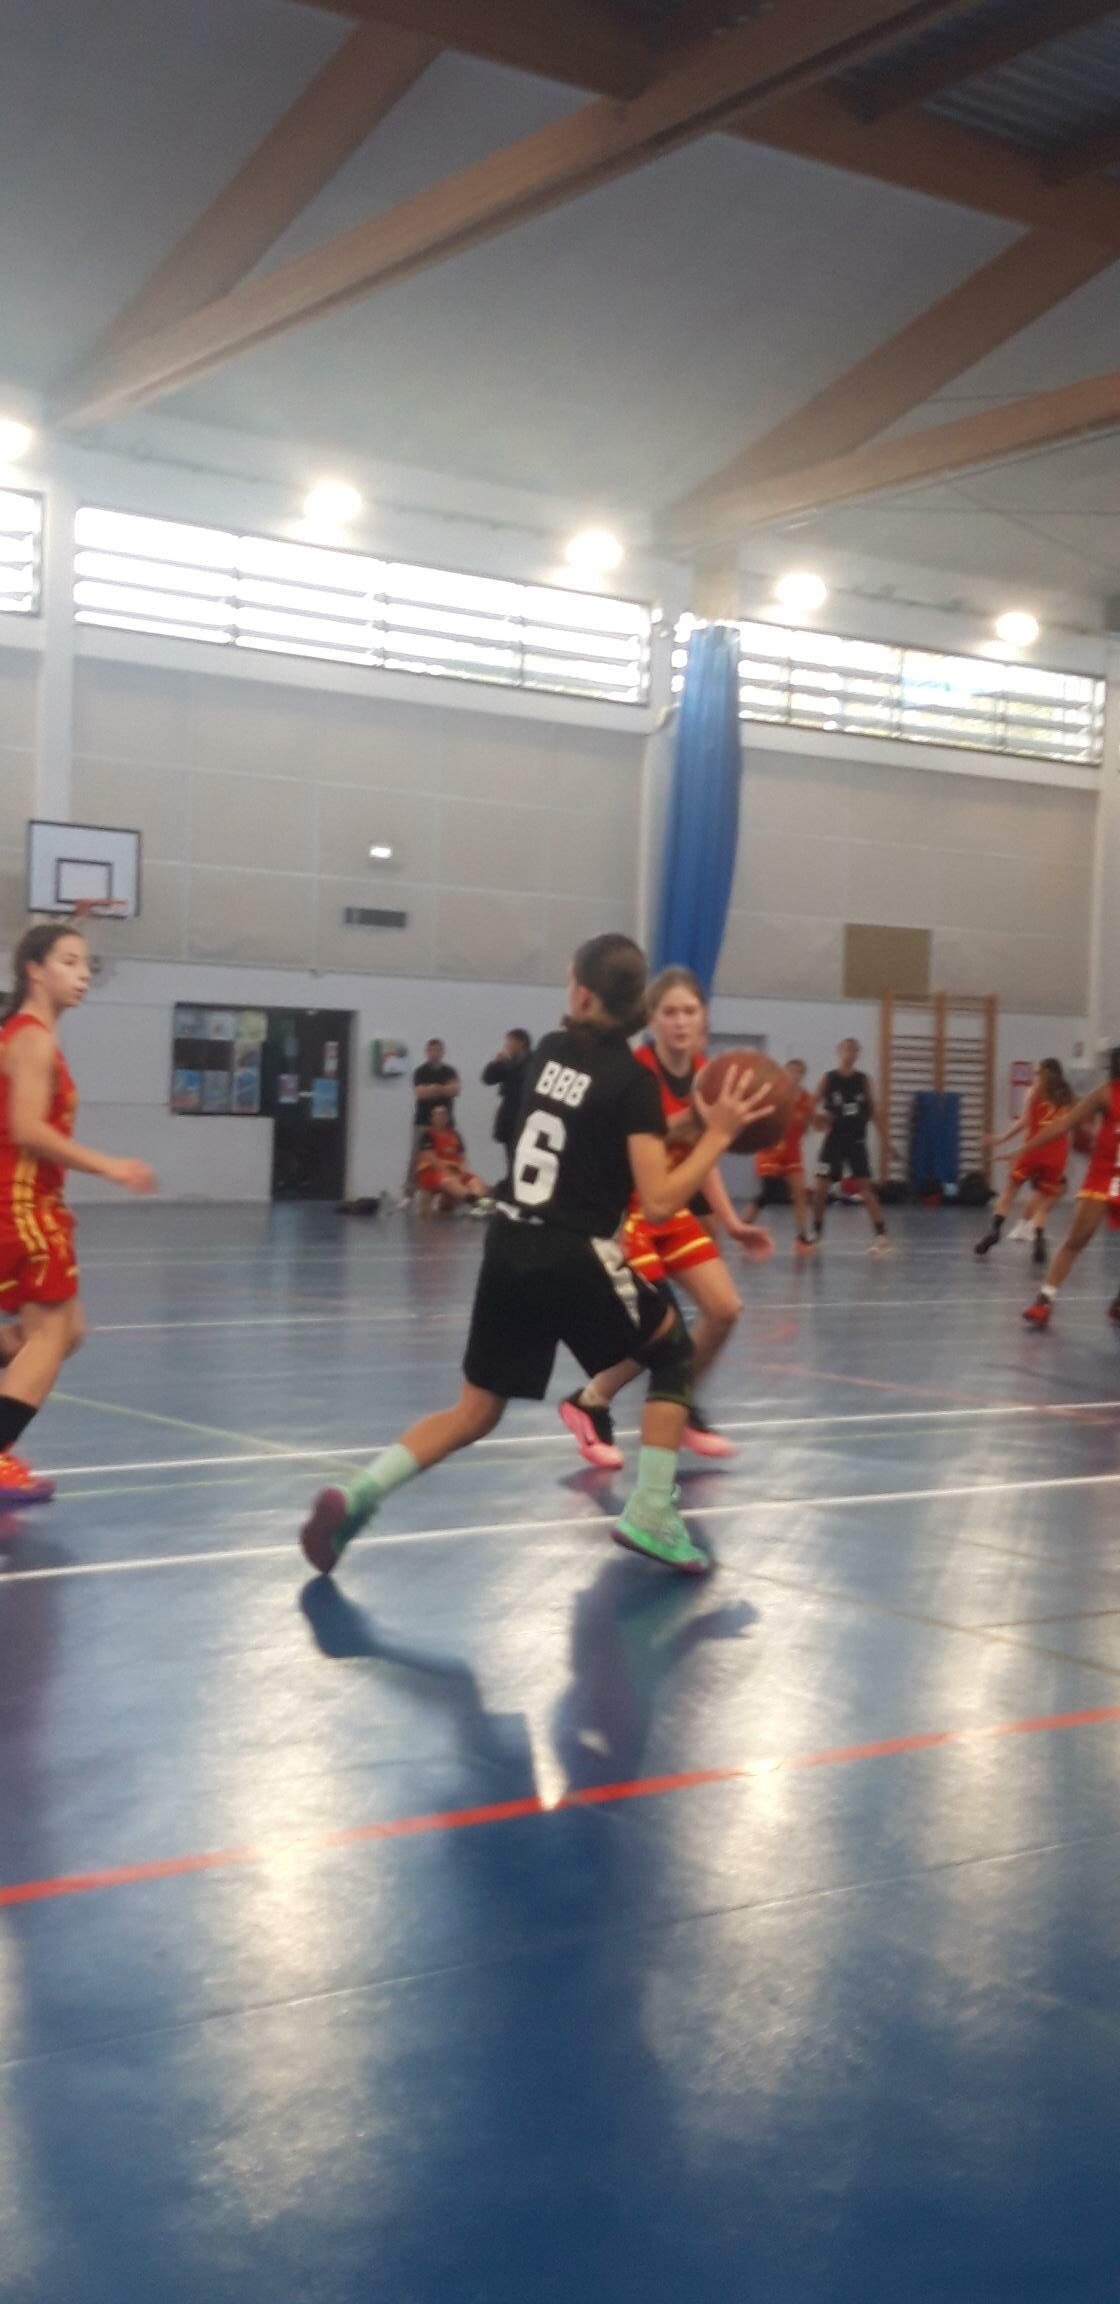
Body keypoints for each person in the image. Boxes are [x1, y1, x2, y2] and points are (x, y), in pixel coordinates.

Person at [300, 932, 773, 1578]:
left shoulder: (549, 1052)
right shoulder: (632, 1081)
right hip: (572, 1253)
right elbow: (661, 1201)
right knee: (672, 1352)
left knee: (474, 1410)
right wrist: (716, 1135)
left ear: (583, 995)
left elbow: (605, 1129)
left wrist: (690, 1124)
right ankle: (651, 1512)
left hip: (508, 1244)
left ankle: (359, 1494)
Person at [558, 965, 772, 1469]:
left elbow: (703, 1157)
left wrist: (732, 1221)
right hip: (626, 1212)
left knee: (724, 1310)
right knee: (661, 1331)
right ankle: (590, 1401)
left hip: (671, 1209)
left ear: (704, 1017)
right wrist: (702, 1121)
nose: (680, 1021)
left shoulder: (707, 1076)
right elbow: (646, 1139)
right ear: (650, 1019)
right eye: (669, 1012)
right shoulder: (633, 1074)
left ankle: (681, 1400)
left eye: (689, 1011)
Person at [0, 921, 156, 1502]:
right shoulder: (32, 1038)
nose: (83, 974)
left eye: (86, 963)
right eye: (68, 962)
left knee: (66, 1332)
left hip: (32, 1200)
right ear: (34, 970)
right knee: (51, 1333)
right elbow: (26, 1129)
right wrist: (109, 1165)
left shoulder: (28, 1036)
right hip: (19, 1202)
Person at [1022, 1050, 1120, 1328]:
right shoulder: (1107, 1093)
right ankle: (1044, 1301)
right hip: (1103, 1175)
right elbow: (1065, 1123)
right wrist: (1028, 1147)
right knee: (1076, 1239)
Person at [975, 1057, 1074, 1268]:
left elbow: (1024, 1122)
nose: (1035, 1076)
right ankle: (1038, 1236)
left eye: (1038, 1072)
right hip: (1058, 1154)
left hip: (1033, 1148)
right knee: (1043, 1200)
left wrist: (1001, 1138)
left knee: (1009, 1192)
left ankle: (995, 1229)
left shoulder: (1034, 1091)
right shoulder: (1067, 1095)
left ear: (1044, 1073)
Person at [811, 1038, 894, 1252]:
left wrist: (886, 1142)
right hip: (834, 1139)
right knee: (820, 1189)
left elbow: (875, 1112)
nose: (850, 1053)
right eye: (847, 1049)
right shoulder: (828, 1079)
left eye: (854, 1050)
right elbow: (810, 1105)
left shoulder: (862, 1080)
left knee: (865, 1188)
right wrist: (816, 1120)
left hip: (856, 1140)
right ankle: (816, 1232)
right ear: (839, 1052)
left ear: (858, 1054)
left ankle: (881, 1235)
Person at [742, 1057, 815, 1250]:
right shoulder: (774, 1094)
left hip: (793, 1150)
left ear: (803, 1076)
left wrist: (810, 1122)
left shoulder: (806, 1099)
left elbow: (807, 1125)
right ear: (784, 1073)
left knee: (799, 1193)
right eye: (791, 1071)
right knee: (768, 1193)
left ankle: (801, 1236)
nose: (794, 1075)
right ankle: (744, 1227)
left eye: (799, 1072)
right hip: (772, 1150)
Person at [400, 1037, 461, 1203]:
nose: (435, 1053)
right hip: (423, 1121)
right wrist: (442, 1089)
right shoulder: (421, 1072)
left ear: (443, 1052)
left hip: (445, 1124)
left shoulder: (449, 1071)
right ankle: (408, 1195)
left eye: (438, 1050)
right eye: (432, 1050)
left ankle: (449, 1195)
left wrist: (435, 1089)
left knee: (448, 1158)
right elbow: (421, 1093)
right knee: (416, 1158)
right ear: (427, 1052)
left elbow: (455, 1090)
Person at [481, 1029, 532, 1190]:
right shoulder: (508, 1064)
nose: (507, 1046)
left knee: (524, 1155)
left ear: (521, 1043)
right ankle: (511, 1183)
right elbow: (488, 1079)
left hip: (525, 1114)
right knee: (510, 1154)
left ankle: (520, 1185)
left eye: (510, 1042)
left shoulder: (534, 1063)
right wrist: (496, 1063)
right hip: (509, 1116)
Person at [414, 1103, 488, 1213]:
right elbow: (432, 1159)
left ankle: (479, 1202)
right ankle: (474, 1201)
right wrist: (450, 1174)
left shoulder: (455, 1135)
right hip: (431, 1173)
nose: (441, 1117)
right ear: (432, 1118)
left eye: (444, 1114)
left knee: (476, 1180)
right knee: (448, 1181)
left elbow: (462, 1157)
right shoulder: (427, 1135)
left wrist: (462, 1172)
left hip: (455, 1171)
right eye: (438, 1114)